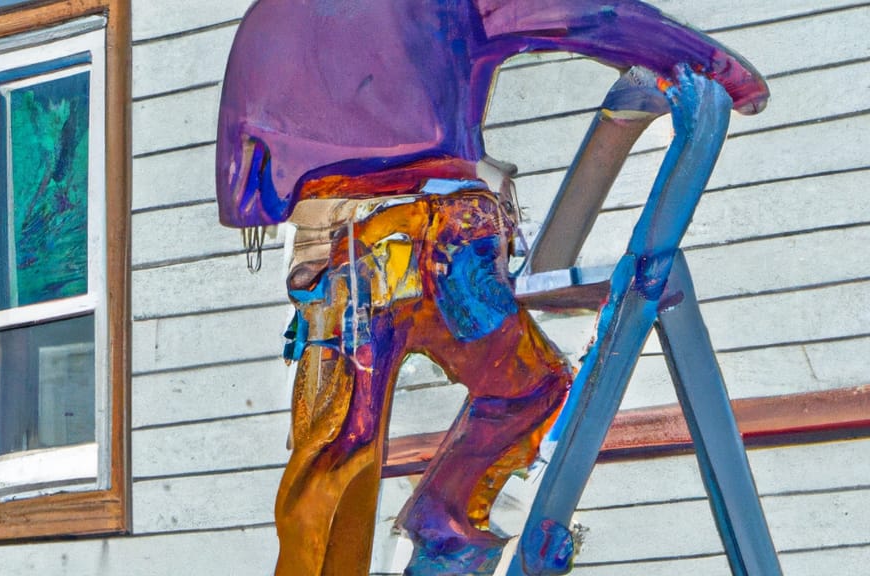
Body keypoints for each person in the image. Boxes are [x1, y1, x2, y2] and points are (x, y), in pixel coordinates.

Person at [214, 1, 769, 574]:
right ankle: (447, 524)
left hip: (328, 262)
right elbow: (589, 16)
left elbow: (247, 191)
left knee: (336, 454)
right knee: (528, 389)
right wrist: (720, 72)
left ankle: (402, 540)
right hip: (437, 244)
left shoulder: (270, 15)